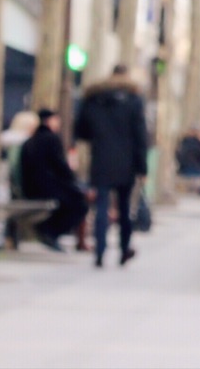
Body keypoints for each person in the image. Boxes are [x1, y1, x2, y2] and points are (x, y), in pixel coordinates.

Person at [73, 64, 149, 268]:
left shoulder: (94, 97)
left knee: (101, 207)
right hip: (127, 162)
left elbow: (80, 129)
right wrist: (142, 168)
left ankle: (99, 252)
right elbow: (141, 135)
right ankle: (124, 249)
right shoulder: (134, 99)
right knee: (124, 209)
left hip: (100, 159)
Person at [20, 109, 89, 251]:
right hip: (46, 188)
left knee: (72, 200)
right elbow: (60, 167)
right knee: (80, 204)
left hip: (31, 187)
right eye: (56, 119)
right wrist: (73, 181)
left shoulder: (31, 140)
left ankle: (49, 230)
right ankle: (50, 231)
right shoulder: (51, 139)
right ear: (49, 121)